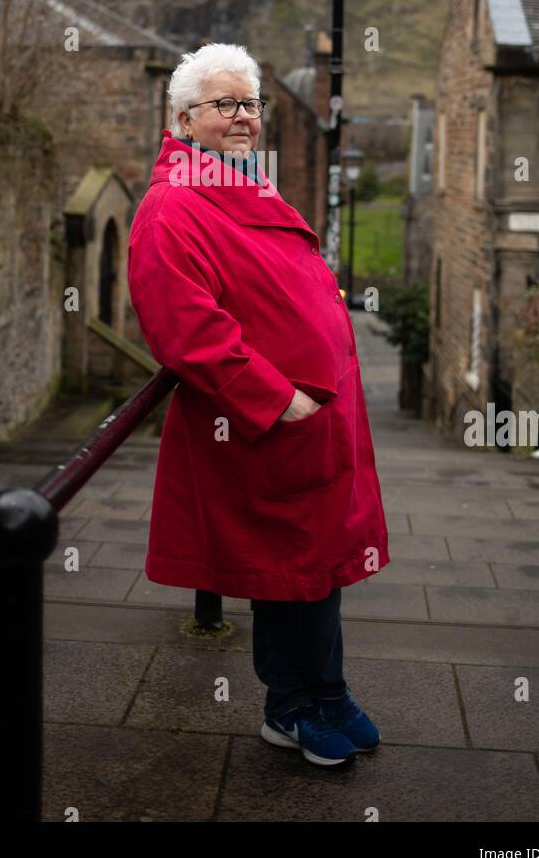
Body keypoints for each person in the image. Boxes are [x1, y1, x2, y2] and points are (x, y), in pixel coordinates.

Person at [127, 42, 390, 766]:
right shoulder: (171, 206)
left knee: (322, 568)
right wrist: (275, 401)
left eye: (249, 104)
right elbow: (185, 328)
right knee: (286, 574)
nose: (242, 117)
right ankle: (291, 708)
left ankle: (329, 693)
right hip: (265, 425)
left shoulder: (240, 181)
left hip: (315, 422)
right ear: (184, 118)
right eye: (224, 105)